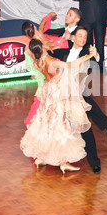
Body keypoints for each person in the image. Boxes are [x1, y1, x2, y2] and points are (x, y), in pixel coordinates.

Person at [20, 38, 97, 174]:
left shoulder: (37, 61)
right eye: (44, 44)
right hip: (58, 93)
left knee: (47, 125)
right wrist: (88, 56)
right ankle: (63, 162)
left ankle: (41, 158)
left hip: (48, 92)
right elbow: (71, 65)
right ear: (41, 47)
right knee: (61, 125)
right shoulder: (51, 61)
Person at [50, 26, 107, 174]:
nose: (83, 39)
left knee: (85, 129)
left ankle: (94, 162)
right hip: (63, 96)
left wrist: (96, 53)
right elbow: (47, 54)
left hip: (77, 95)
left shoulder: (86, 52)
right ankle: (61, 159)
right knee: (62, 127)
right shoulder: (64, 52)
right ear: (74, 37)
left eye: (85, 37)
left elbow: (95, 57)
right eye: (80, 36)